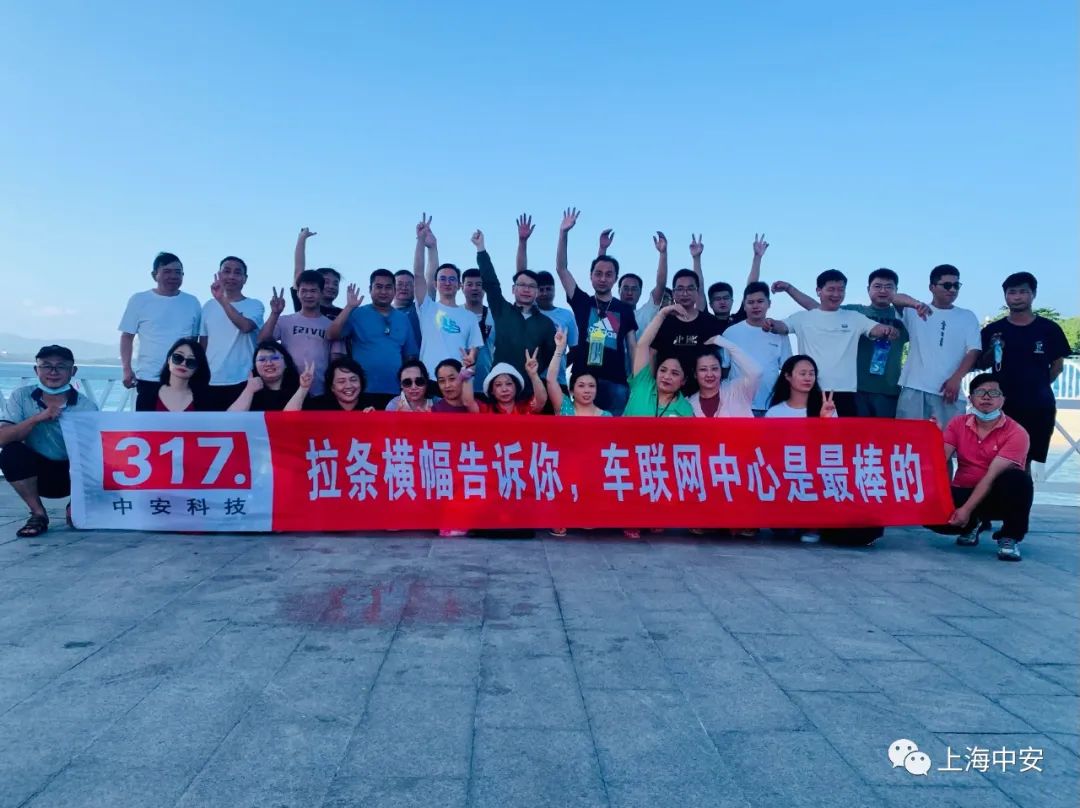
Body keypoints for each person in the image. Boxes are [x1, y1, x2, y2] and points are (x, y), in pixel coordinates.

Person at [773, 268, 925, 418]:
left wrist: (914, 306)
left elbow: (895, 307)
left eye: (888, 287)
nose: (883, 291)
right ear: (868, 289)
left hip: (888, 389)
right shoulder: (855, 312)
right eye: (877, 286)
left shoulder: (904, 315)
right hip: (858, 389)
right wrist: (789, 289)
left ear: (896, 290)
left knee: (883, 433)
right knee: (850, 431)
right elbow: (818, 309)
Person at [932, 373, 1034, 561]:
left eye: (994, 393)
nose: (986, 397)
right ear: (970, 398)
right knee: (932, 514)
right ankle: (972, 524)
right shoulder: (958, 423)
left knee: (1019, 480)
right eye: (980, 392)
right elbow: (938, 460)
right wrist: (932, 435)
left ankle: (1009, 537)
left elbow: (990, 477)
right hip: (964, 490)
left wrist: (966, 510)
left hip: (997, 496)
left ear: (1003, 399)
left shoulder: (1017, 433)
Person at [0, 345, 99, 537]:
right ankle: (38, 513)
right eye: (46, 366)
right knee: (11, 452)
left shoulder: (86, 406)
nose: (53, 372)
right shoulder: (20, 396)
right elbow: (2, 438)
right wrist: (37, 419)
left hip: (72, 474)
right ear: (36, 370)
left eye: (61, 366)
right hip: (37, 472)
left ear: (73, 371)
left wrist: (78, 502)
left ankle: (76, 505)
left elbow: (96, 453)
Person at [979, 272, 1071, 466]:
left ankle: (1023, 488)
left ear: (1033, 294)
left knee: (1024, 462)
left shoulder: (1049, 329)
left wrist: (1039, 385)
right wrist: (993, 349)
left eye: (1023, 292)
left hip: (1038, 407)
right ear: (1005, 296)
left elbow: (1057, 366)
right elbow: (981, 364)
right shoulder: (992, 330)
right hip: (1000, 406)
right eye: (1012, 292)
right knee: (992, 460)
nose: (1017, 297)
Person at [555, 208, 638, 414]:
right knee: (582, 432)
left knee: (615, 432)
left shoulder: (624, 309)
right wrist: (563, 233)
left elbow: (632, 348)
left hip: (616, 383)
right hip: (583, 382)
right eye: (598, 273)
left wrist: (637, 382)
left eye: (609, 274)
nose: (603, 278)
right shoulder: (582, 302)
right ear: (590, 276)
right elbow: (561, 269)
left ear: (615, 278)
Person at [895, 264, 982, 429]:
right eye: (947, 285)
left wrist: (956, 379)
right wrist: (916, 304)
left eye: (956, 285)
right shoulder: (914, 312)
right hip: (915, 388)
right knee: (908, 439)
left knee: (948, 442)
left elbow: (973, 351)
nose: (952, 290)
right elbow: (894, 298)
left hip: (950, 392)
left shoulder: (967, 316)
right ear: (932, 287)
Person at [474, 230, 556, 392]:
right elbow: (491, 283)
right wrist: (481, 249)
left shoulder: (546, 324)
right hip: (500, 387)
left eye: (531, 286)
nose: (526, 289)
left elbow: (550, 355)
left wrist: (534, 372)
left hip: (530, 390)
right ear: (513, 289)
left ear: (537, 292)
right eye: (522, 285)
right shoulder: (502, 310)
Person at [326, 271, 420, 407]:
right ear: (370, 289)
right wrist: (349, 307)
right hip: (362, 391)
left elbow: (409, 356)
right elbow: (331, 335)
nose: (383, 291)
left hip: (396, 392)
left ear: (394, 290)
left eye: (388, 287)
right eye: (379, 287)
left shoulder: (403, 319)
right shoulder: (357, 313)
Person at [118, 251, 202, 398]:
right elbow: (127, 336)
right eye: (167, 271)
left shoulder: (192, 302)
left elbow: (194, 341)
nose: (173, 276)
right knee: (147, 413)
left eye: (178, 272)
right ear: (154, 275)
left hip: (183, 379)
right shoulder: (139, 300)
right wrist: (126, 369)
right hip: (148, 377)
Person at [411, 217, 483, 373]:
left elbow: (474, 349)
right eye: (442, 279)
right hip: (429, 379)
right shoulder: (427, 307)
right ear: (435, 284)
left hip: (457, 380)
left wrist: (471, 359)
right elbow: (418, 274)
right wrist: (421, 240)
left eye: (452, 279)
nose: (447, 283)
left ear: (459, 285)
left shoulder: (469, 317)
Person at [260, 271, 344, 396]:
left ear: (321, 293)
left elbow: (336, 361)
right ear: (297, 293)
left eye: (313, 291)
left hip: (320, 391)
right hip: (287, 389)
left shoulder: (332, 326)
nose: (308, 295)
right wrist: (274, 313)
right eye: (304, 291)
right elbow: (262, 341)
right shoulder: (284, 320)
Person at [199, 256, 265, 410]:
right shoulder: (208, 306)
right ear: (219, 274)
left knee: (242, 424)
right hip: (211, 380)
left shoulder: (255, 305)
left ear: (245, 278)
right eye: (226, 271)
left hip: (244, 379)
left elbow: (245, 326)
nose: (231, 276)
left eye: (237, 273)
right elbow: (203, 343)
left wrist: (222, 300)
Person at [723, 282, 793, 416]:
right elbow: (724, 369)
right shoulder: (730, 333)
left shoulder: (779, 333)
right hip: (738, 406)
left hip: (771, 406)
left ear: (769, 303)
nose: (755, 306)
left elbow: (787, 370)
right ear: (744, 305)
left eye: (760, 301)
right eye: (750, 302)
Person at [624, 305, 694, 418]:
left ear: (683, 380)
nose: (667, 376)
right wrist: (662, 314)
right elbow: (642, 345)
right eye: (663, 370)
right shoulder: (643, 384)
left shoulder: (686, 411)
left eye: (675, 373)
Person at [650, 269, 725, 370]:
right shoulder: (662, 322)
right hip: (668, 379)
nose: (685, 293)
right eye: (680, 289)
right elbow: (652, 354)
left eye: (690, 288)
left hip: (703, 380)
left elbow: (720, 357)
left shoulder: (710, 322)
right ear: (673, 293)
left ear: (697, 292)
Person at [703, 233, 769, 330]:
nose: (722, 302)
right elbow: (698, 289)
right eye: (717, 299)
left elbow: (751, 287)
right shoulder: (705, 321)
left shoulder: (739, 319)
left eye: (726, 298)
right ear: (710, 304)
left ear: (732, 301)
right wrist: (696, 258)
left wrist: (757, 257)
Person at [687, 338, 762, 418]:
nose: (709, 374)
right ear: (695, 374)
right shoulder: (689, 403)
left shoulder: (737, 390)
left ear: (721, 369)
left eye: (714, 368)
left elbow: (756, 372)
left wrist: (721, 341)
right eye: (703, 369)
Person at [545, 328, 612, 417]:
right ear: (572, 390)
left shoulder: (606, 416)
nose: (587, 390)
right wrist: (559, 349)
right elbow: (551, 380)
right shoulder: (564, 406)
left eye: (591, 386)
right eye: (581, 385)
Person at [135, 337, 214, 412]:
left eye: (191, 361)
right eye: (178, 357)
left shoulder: (205, 398)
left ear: (198, 367)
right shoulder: (147, 394)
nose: (183, 364)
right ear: (168, 359)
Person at [228, 340, 301, 412]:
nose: (269, 363)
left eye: (274, 358)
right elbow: (231, 418)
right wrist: (249, 390)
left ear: (286, 363)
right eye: (262, 359)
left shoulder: (299, 388)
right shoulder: (244, 388)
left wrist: (303, 389)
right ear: (255, 365)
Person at [285, 356, 378, 412]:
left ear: (361, 382)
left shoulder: (373, 403)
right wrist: (303, 388)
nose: (348, 386)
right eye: (341, 381)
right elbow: (287, 419)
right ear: (332, 387)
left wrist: (375, 419)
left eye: (353, 380)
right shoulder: (318, 405)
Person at [765, 355, 839, 418]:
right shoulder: (775, 413)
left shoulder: (826, 408)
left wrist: (825, 420)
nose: (808, 378)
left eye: (811, 374)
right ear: (788, 376)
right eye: (803, 374)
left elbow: (835, 431)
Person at [291, 227, 343, 317]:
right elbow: (299, 271)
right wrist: (302, 238)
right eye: (326, 282)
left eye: (335, 284)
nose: (331, 287)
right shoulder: (304, 303)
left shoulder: (344, 313)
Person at [460, 267, 496, 394]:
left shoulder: (494, 316)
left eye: (479, 284)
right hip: (457, 385)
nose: (474, 288)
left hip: (486, 386)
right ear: (461, 287)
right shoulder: (454, 315)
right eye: (469, 284)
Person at [477, 356, 547, 415]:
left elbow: (541, 401)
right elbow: (470, 404)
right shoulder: (485, 409)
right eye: (498, 385)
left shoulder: (525, 407)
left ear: (516, 386)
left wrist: (533, 375)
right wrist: (470, 369)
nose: (504, 389)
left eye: (509, 384)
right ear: (491, 390)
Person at [393, 269, 423, 347]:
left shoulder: (421, 308)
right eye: (400, 284)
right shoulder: (381, 313)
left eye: (409, 284)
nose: (404, 287)